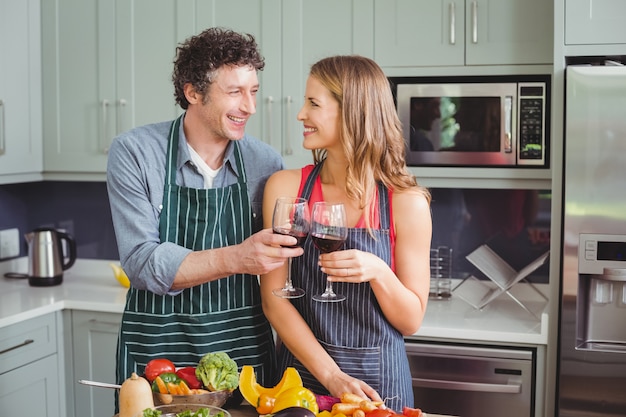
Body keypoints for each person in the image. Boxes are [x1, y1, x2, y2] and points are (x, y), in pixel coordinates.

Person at [106, 27, 303, 405]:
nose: (250, 107)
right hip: (158, 356)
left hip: (244, 355)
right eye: (235, 92)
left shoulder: (266, 163)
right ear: (192, 92)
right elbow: (142, 263)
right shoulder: (134, 153)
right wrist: (236, 258)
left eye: (254, 91)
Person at [260, 55, 432, 410]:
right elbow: (275, 300)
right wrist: (332, 376)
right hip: (300, 377)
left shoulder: (406, 203)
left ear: (352, 112)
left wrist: (378, 271)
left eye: (313, 104)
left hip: (379, 388)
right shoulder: (286, 188)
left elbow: (411, 319)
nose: (300, 115)